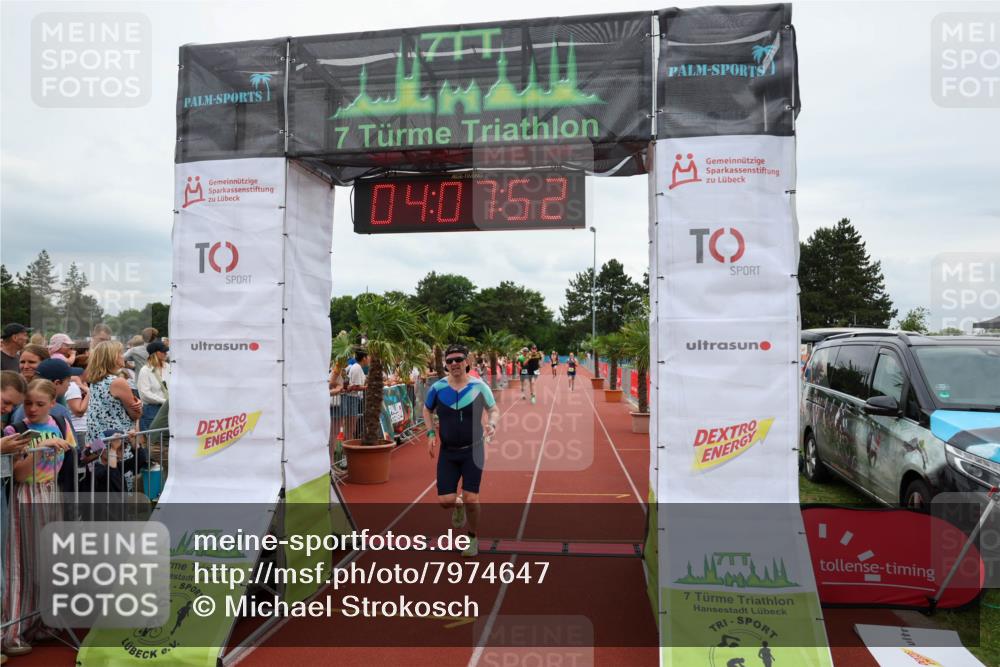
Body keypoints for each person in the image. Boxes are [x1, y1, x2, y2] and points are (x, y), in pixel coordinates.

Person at [2, 378, 74, 654]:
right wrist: (40, 448)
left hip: (50, 494)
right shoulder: (16, 429)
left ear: (53, 404)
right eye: (28, 403)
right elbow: (18, 472)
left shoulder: (58, 424)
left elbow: (68, 460)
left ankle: (42, 621)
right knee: (20, 562)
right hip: (26, 495)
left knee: (47, 560)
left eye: (39, 404)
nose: (32, 409)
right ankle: (12, 630)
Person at [423, 344, 500, 558]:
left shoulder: (479, 386)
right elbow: (427, 409)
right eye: (450, 361)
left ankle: (472, 538)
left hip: (473, 451)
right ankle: (458, 506)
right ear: (445, 365)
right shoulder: (437, 388)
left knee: (471, 498)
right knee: (445, 501)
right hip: (448, 453)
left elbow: (493, 409)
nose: (454, 364)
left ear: (467, 362)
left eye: (458, 359)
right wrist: (430, 434)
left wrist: (492, 424)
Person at [84, 341, 142, 445]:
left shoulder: (95, 381)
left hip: (97, 442)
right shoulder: (117, 382)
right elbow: (135, 415)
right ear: (112, 358)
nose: (123, 356)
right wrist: (139, 406)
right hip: (117, 442)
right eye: (120, 353)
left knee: (101, 461)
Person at [137, 341, 169, 431]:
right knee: (153, 441)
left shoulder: (168, 367)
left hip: (168, 408)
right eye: (163, 351)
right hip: (152, 410)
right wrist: (164, 401)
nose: (166, 353)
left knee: (166, 440)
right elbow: (145, 394)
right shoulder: (145, 370)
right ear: (155, 353)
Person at [344, 349, 368, 440]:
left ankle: (348, 445)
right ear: (364, 358)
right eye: (367, 357)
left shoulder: (357, 367)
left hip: (353, 398)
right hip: (352, 398)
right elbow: (356, 387)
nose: (369, 359)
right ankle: (349, 446)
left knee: (351, 425)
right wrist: (367, 387)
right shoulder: (357, 367)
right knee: (351, 426)